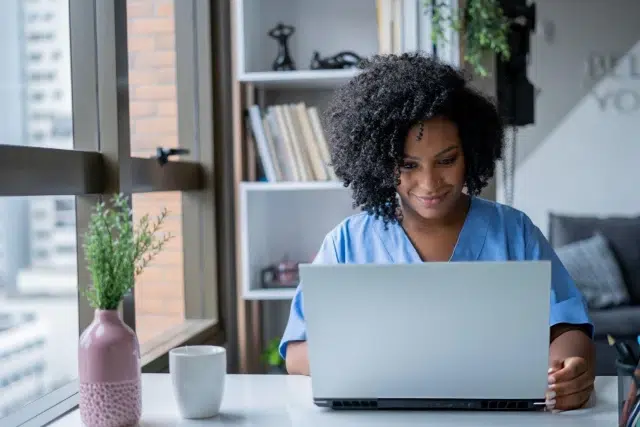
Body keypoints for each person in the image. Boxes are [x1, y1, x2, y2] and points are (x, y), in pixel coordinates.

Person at [278, 52, 595, 412]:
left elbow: (568, 326)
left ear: (471, 154)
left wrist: (569, 368)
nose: (429, 183)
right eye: (408, 165)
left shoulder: (513, 231)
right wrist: (382, 365)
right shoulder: (347, 242)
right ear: (379, 163)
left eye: (446, 160)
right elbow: (298, 351)